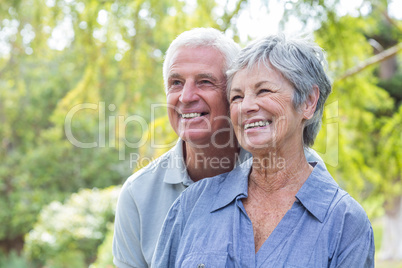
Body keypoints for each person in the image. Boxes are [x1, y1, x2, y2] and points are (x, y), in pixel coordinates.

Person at [152, 34, 375, 267]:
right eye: (237, 97)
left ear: (308, 101)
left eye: (264, 91)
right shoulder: (193, 204)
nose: (246, 106)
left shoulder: (345, 222)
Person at [113, 28, 324, 268]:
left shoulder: (302, 169)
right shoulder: (138, 195)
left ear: (234, 94)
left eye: (205, 82)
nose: (186, 96)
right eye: (176, 83)